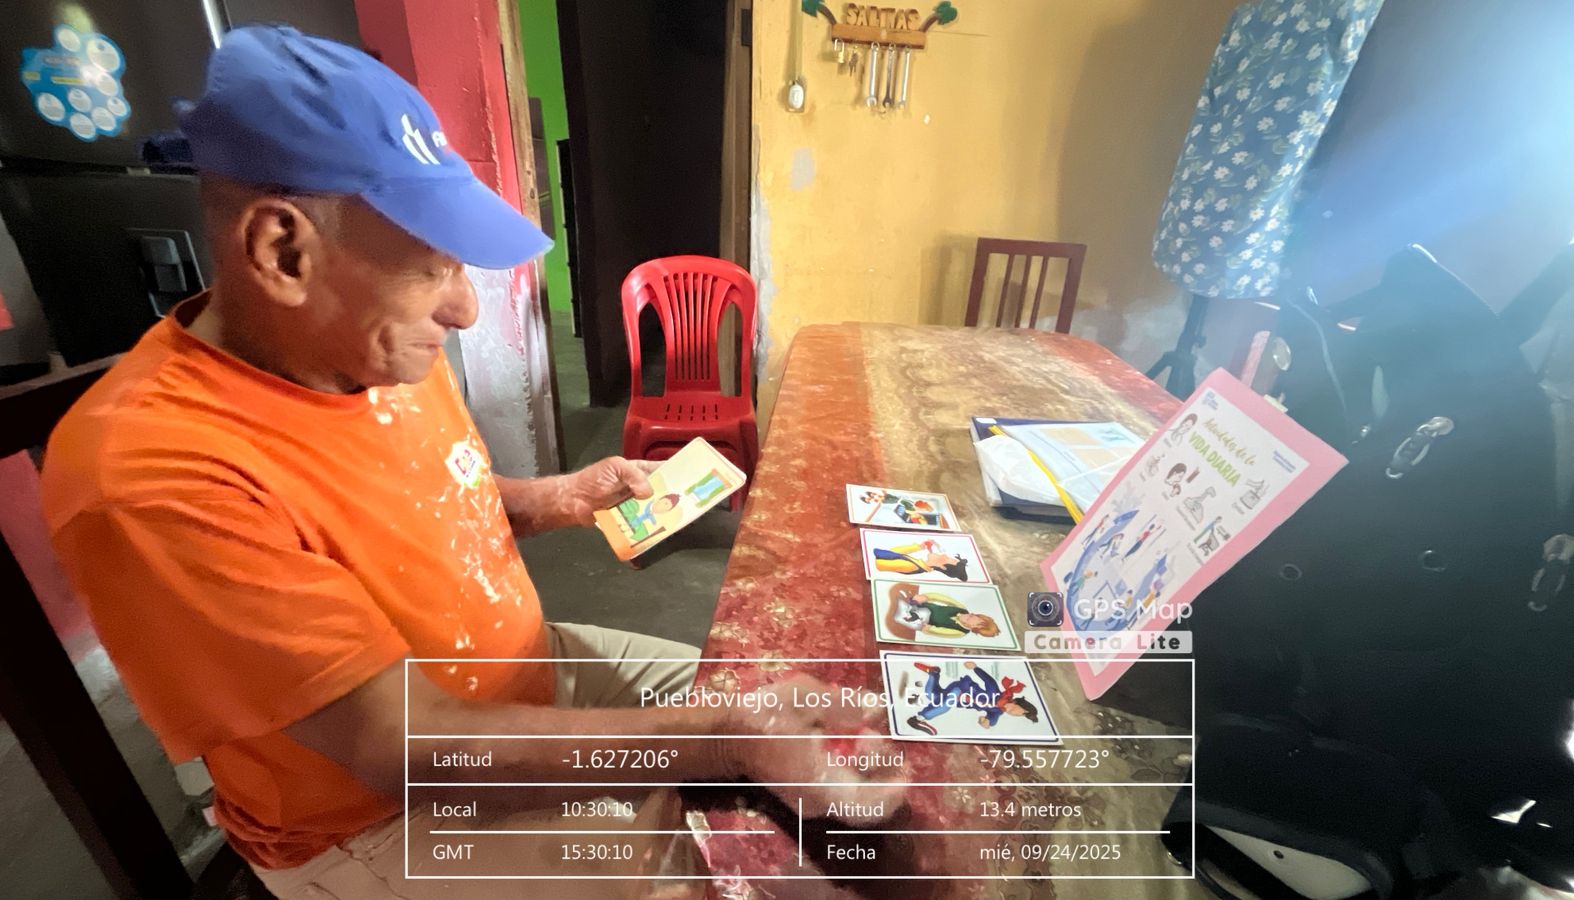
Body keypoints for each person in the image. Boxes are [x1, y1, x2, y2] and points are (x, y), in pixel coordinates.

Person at [39, 27, 900, 898]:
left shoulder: (364, 345)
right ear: (283, 251)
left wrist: (559, 496)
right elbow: (397, 746)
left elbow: (425, 497)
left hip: (526, 672)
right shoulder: (152, 472)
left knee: (782, 698)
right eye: (434, 268)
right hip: (384, 812)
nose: (463, 310)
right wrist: (719, 742)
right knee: (737, 874)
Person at [904, 661, 1039, 735]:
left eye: (1018, 715)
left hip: (959, 699)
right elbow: (989, 681)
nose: (1015, 714)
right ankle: (918, 719)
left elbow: (991, 720)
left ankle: (934, 673)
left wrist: (986, 723)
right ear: (1017, 703)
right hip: (962, 689)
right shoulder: (996, 695)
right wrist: (975, 668)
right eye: (1019, 711)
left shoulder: (997, 711)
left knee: (932, 695)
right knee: (944, 706)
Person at [873, 538, 970, 580]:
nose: (945, 555)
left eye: (950, 559)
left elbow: (880, 563)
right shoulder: (918, 564)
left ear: (942, 567)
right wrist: (919, 547)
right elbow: (893, 553)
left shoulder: (912, 566)